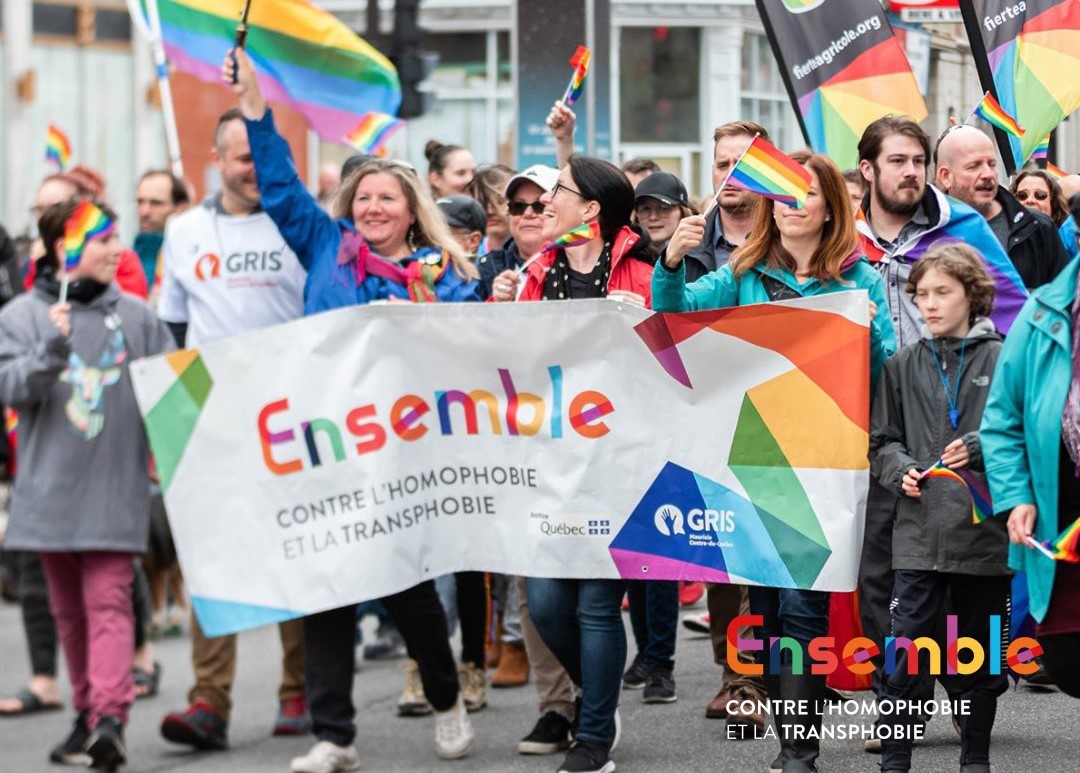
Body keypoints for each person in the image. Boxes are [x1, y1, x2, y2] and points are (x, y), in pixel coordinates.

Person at [228, 47, 478, 771]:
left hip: (401, 453)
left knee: (407, 591)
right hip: (325, 447)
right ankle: (334, 733)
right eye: (362, 197)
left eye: (386, 200)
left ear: (411, 212)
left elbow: (470, 349)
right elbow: (278, 187)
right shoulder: (324, 246)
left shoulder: (442, 276)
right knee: (325, 586)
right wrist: (253, 108)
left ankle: (445, 693)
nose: (371, 208)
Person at [654, 150, 896, 773]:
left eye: (806, 193)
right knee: (764, 608)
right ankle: (787, 734)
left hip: (825, 465)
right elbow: (676, 318)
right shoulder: (742, 272)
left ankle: (797, 753)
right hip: (752, 460)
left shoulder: (859, 280)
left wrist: (866, 333)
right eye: (782, 193)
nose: (792, 203)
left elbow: (884, 371)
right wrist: (672, 262)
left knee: (803, 609)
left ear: (829, 206)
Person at [156, 107, 312, 752]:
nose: (252, 169)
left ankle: (298, 689)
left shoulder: (299, 224)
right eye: (241, 157)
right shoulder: (183, 229)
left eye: (261, 156)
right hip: (212, 417)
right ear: (216, 161)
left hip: (291, 414)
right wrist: (175, 418)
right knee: (210, 555)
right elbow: (172, 328)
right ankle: (208, 702)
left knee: (298, 549)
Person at [0, 197, 174, 770]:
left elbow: (178, 392)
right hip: (47, 492)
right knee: (68, 610)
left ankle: (109, 719)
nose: (114, 248)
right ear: (63, 248)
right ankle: (85, 715)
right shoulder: (21, 315)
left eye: (114, 236)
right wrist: (52, 345)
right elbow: (11, 388)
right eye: (101, 238)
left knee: (107, 602)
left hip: (113, 486)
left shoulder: (141, 317)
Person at [854, 117, 1015, 724]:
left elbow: (1012, 313)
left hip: (957, 425)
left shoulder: (961, 229)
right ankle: (900, 703)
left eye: (918, 160)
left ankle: (968, 697)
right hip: (875, 426)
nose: (911, 172)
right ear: (868, 169)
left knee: (965, 583)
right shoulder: (844, 237)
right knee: (885, 579)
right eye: (897, 160)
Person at [496, 155, 654, 773]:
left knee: (594, 604)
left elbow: (669, 357)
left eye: (558, 191)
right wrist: (501, 308)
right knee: (545, 605)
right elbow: (510, 363)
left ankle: (592, 740)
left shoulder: (640, 271)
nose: (545, 202)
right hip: (549, 465)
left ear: (590, 209)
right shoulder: (536, 271)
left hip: (616, 466)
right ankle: (598, 693)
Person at [870, 243, 1010, 773]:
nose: (929, 304)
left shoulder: (1002, 360)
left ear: (971, 296)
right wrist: (897, 467)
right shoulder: (902, 364)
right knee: (905, 656)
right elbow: (881, 440)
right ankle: (895, 761)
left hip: (982, 536)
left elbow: (1022, 434)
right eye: (922, 294)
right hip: (917, 536)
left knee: (980, 658)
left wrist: (979, 446)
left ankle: (976, 758)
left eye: (942, 293)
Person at [980, 197, 1080, 701]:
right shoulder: (1042, 311)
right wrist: (1016, 495)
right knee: (1066, 657)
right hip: (1062, 509)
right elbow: (1001, 422)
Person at [934, 125, 1069, 290]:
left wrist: (1027, 302)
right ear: (946, 176)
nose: (988, 174)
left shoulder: (1039, 227)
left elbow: (1064, 299)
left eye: (991, 164)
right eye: (974, 166)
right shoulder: (925, 230)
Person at [662, 121, 767, 282]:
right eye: (723, 165)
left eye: (741, 167)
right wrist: (669, 263)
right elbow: (668, 305)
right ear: (713, 171)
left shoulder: (786, 240)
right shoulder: (687, 245)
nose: (729, 175)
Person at [483, 165, 560, 301]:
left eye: (539, 206)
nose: (528, 214)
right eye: (518, 206)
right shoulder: (486, 268)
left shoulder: (579, 265)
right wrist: (498, 309)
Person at [132, 170, 190, 291]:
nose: (144, 211)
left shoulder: (191, 256)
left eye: (156, 203)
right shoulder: (123, 257)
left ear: (181, 207)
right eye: (140, 202)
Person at [631, 171, 695, 252]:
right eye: (645, 209)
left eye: (664, 208)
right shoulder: (623, 255)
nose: (653, 217)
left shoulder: (700, 257)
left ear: (682, 213)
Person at [468, 164, 515, 254]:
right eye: (483, 201)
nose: (490, 211)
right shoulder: (468, 255)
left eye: (499, 201)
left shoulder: (536, 255)